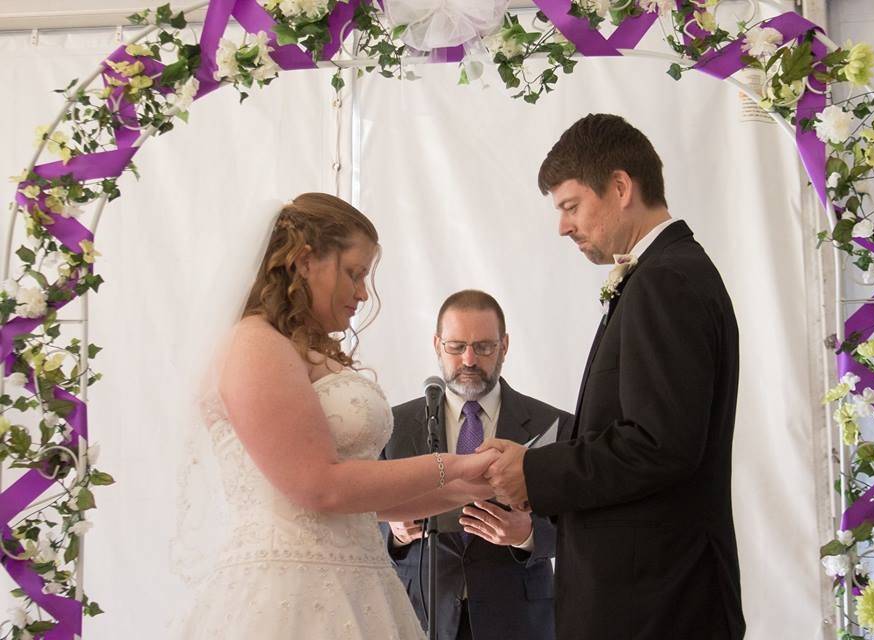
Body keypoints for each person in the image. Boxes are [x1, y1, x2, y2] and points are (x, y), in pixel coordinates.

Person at [180, 193, 498, 639]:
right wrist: (455, 464)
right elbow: (320, 486)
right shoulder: (254, 344)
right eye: (354, 273)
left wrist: (469, 487)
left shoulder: (299, 349)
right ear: (306, 260)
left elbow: (366, 501)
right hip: (289, 593)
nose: (363, 293)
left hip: (358, 583)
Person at [480, 114, 746, 639]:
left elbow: (658, 445)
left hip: (657, 603)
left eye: (571, 206)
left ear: (621, 186)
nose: (562, 226)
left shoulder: (665, 280)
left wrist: (535, 471)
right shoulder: (664, 272)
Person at [382, 290, 569, 640]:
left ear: (505, 346)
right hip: (420, 615)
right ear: (437, 345)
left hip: (519, 618)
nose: (469, 359)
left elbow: (581, 527)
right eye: (456, 347)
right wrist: (394, 533)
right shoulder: (392, 427)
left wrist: (527, 534)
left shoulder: (553, 424)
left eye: (483, 347)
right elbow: (355, 519)